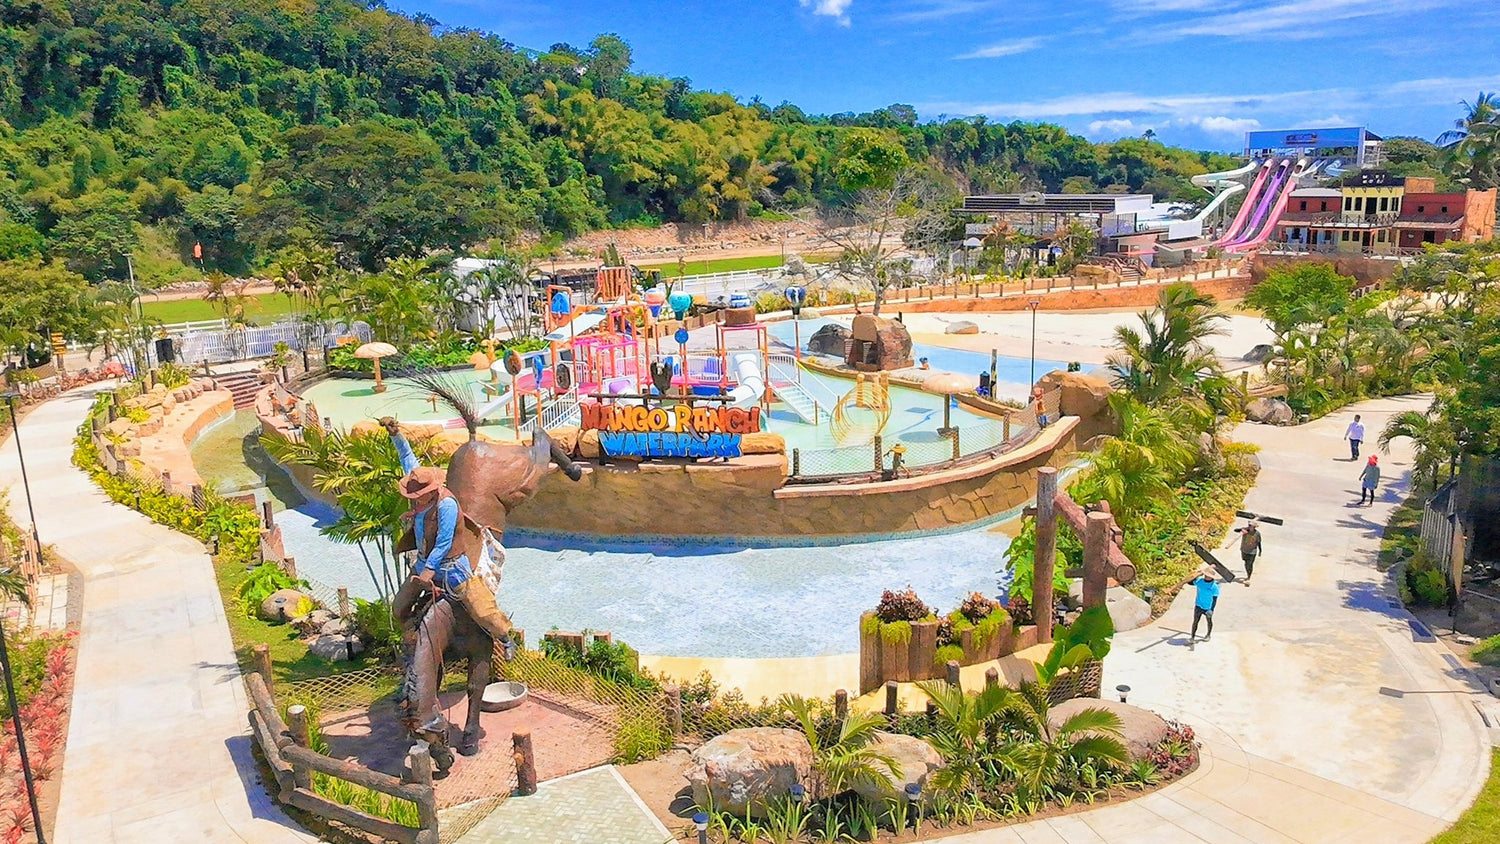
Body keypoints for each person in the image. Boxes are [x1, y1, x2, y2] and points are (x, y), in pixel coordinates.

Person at [382, 418, 516, 645]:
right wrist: (396, 436)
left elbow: (444, 542)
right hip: (424, 563)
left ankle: (505, 638)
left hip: (452, 568)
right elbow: (407, 459)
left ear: (430, 491)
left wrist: (429, 571)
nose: (414, 500)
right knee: (399, 606)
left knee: (482, 610)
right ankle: (413, 628)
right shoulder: (419, 486)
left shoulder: (447, 505)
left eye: (416, 496)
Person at [1189, 568, 1220, 641]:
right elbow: (1190, 582)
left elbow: (1215, 599)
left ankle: (1208, 634)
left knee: (1209, 621)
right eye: (1206, 575)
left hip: (1208, 607)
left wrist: (1211, 610)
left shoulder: (1214, 586)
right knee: (1195, 621)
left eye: (1208, 576)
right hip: (1199, 605)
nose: (1206, 577)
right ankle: (1192, 637)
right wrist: (1195, 575)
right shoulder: (1200, 581)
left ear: (1212, 577)